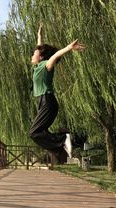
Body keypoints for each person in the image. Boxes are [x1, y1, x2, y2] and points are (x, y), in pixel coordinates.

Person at [29, 23, 85, 158]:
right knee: (39, 132)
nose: (32, 55)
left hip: (48, 102)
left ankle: (63, 140)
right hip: (43, 102)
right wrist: (39, 35)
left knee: (34, 132)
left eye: (34, 54)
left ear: (41, 57)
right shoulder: (37, 67)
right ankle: (62, 146)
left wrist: (69, 48)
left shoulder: (46, 65)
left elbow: (53, 57)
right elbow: (39, 47)